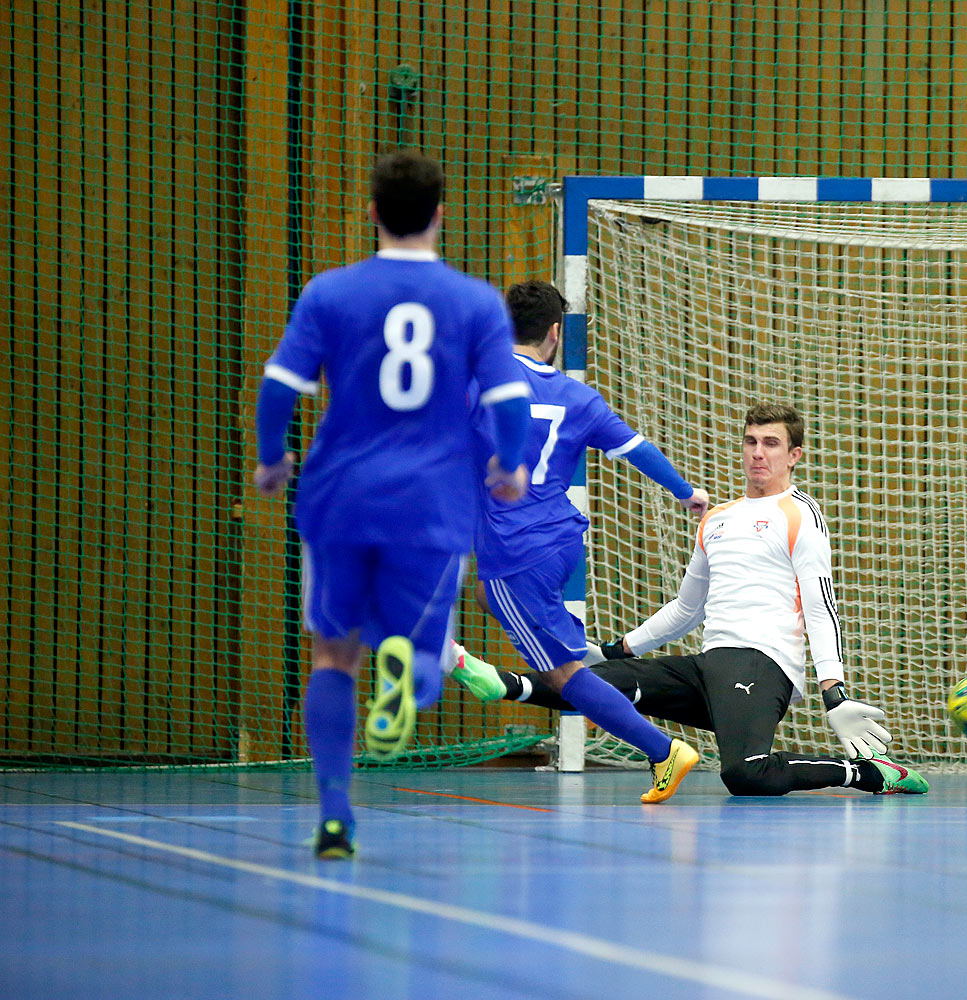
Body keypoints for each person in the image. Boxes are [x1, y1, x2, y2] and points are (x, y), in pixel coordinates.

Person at [254, 149, 532, 858]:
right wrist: (510, 466)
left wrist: (270, 457)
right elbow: (508, 399)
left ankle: (336, 815)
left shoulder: (330, 292)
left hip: (340, 498)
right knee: (422, 643)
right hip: (432, 505)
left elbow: (279, 385)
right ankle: (407, 673)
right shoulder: (474, 302)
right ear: (442, 216)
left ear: (371, 213)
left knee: (331, 654)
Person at [461, 402, 929, 797]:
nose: (757, 454)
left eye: (771, 444)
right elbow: (687, 610)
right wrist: (616, 648)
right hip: (710, 667)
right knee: (600, 681)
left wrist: (834, 692)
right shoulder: (717, 518)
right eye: (750, 442)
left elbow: (820, 604)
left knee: (745, 773)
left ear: (794, 456)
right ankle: (502, 682)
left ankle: (868, 773)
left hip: (761, 664)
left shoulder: (800, 514)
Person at [447, 279, 709, 804]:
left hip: (517, 549)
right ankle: (509, 660)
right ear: (553, 333)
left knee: (563, 674)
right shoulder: (578, 397)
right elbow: (637, 448)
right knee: (485, 595)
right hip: (560, 542)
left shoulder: (481, 383)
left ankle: (662, 750)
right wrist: (687, 494)